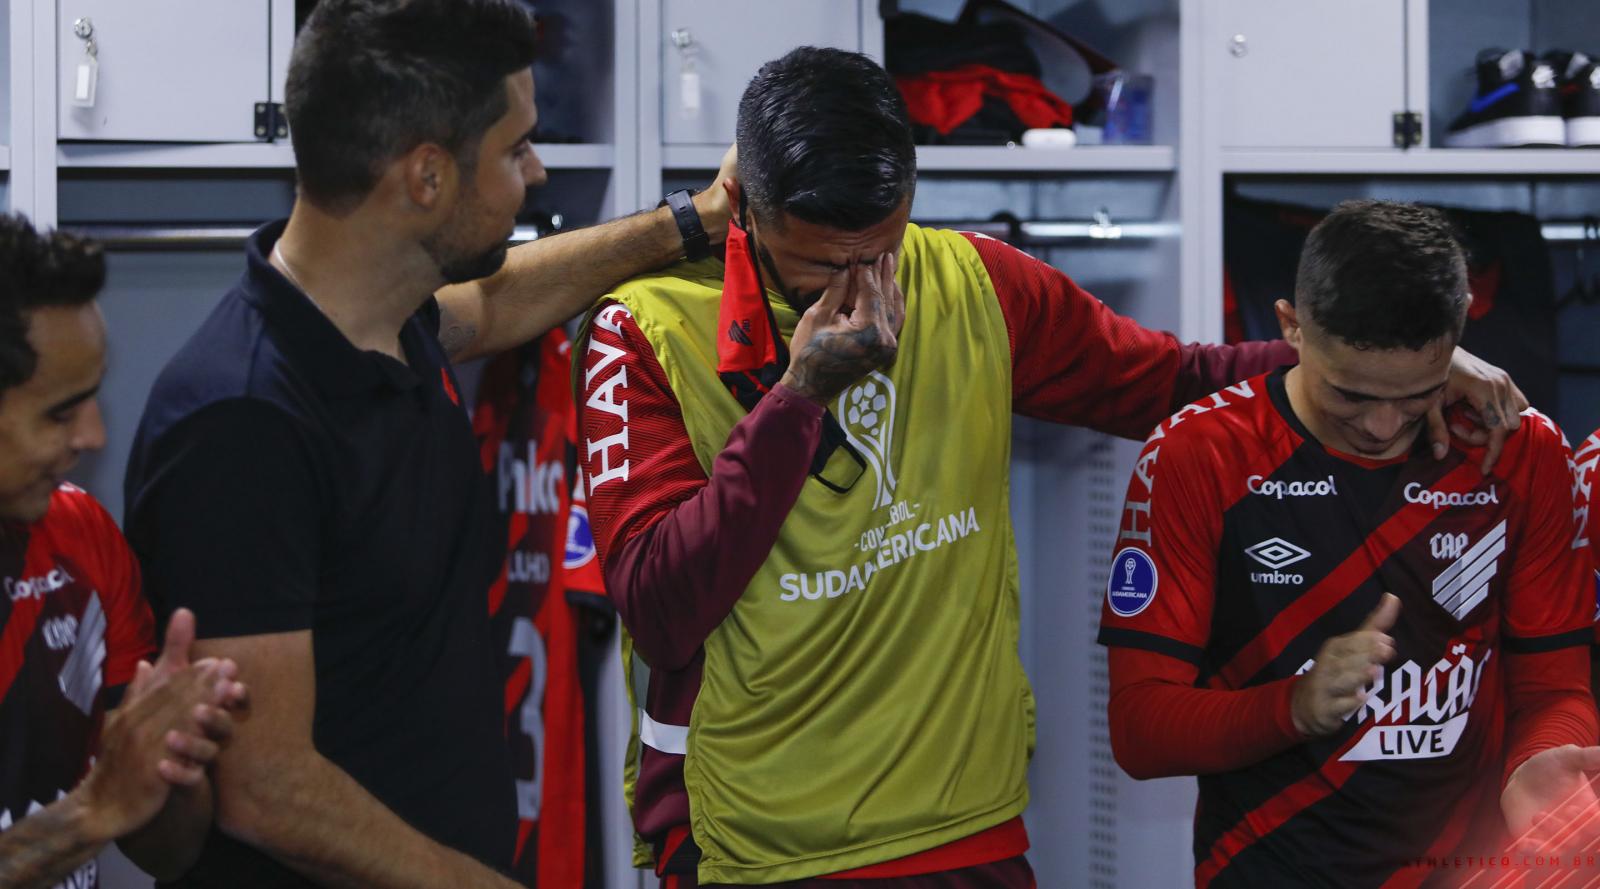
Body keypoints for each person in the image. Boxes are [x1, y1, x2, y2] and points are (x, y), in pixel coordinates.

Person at [575, 48, 1526, 887]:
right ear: (743, 207)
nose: (867, 291)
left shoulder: (977, 281)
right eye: (825, 269)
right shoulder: (645, 329)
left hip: (965, 827)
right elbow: (661, 608)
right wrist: (798, 401)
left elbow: (1171, 380)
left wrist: (1381, 373)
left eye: (885, 249)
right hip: (755, 845)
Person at [121, 1, 736, 886]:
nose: (538, 167)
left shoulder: (386, 320)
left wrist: (692, 222)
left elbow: (494, 304)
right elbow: (266, 785)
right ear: (427, 178)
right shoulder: (242, 421)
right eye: (515, 146)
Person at [1098, 199, 1600, 887]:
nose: (1382, 423)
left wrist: (1535, 763)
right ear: (1290, 327)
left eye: (1418, 393)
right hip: (1267, 871)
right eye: (1350, 395)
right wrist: (1294, 705)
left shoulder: (1518, 450)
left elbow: (1553, 686)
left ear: (1456, 346)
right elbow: (1140, 728)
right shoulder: (1198, 454)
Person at [0, 213, 247, 889]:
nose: (96, 435)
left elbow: (165, 851)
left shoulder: (82, 538)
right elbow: (100, 814)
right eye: (61, 410)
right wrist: (91, 813)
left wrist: (164, 762)